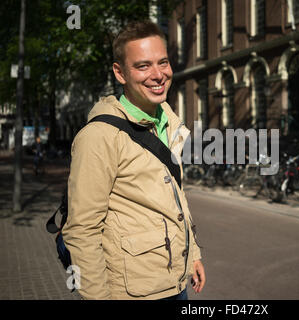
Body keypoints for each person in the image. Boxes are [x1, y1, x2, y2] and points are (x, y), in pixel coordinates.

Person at [62, 20, 205, 300]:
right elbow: (81, 230)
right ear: (120, 73)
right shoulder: (100, 136)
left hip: (175, 284)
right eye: (143, 66)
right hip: (134, 293)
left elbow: (174, 198)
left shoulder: (168, 121)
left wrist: (193, 256)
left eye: (162, 62)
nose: (158, 74)